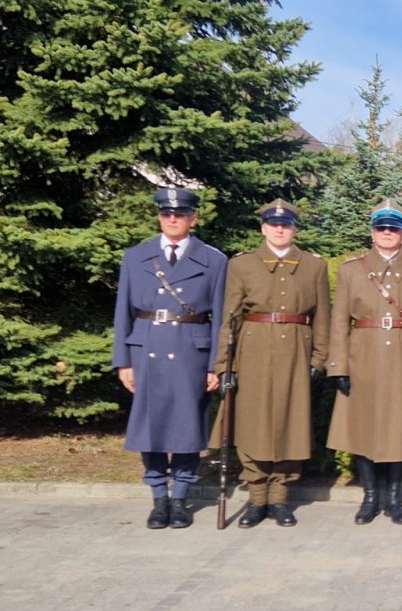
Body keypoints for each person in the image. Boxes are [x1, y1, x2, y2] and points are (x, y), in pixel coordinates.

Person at [211, 199, 330, 528]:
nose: (280, 229)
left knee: (290, 422)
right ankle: (256, 497)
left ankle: (279, 497)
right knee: (253, 423)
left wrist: (319, 359)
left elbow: (322, 318)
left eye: (287, 224)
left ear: (294, 229)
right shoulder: (242, 265)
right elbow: (229, 319)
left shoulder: (313, 266)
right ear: (263, 228)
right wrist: (225, 366)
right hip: (253, 350)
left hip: (296, 349)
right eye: (274, 224)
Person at [112, 187, 227, 529]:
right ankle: (158, 497)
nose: (172, 220)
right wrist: (123, 360)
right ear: (159, 216)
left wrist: (215, 365)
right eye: (166, 214)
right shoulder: (137, 256)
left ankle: (181, 498)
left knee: (187, 425)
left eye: (179, 215)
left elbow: (219, 317)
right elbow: (122, 313)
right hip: (146, 348)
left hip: (192, 349)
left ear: (193, 218)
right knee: (152, 425)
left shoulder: (214, 260)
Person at [326, 201, 402, 525]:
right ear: (372, 232)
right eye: (381, 228)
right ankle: (370, 498)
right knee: (362, 430)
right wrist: (338, 366)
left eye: (393, 228)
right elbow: (338, 322)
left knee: (400, 430)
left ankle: (394, 500)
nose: (387, 233)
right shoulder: (352, 270)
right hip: (362, 357)